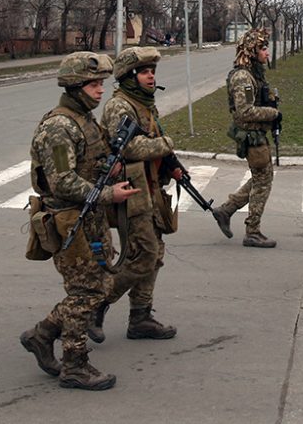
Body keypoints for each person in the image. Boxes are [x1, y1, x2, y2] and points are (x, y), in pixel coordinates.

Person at [20, 52, 139, 390]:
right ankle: (75, 365)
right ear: (74, 87)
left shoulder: (85, 119)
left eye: (101, 83)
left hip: (90, 217)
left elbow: (89, 164)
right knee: (84, 292)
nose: (100, 90)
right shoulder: (59, 127)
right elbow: (62, 181)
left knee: (98, 287)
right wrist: (107, 194)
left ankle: (42, 335)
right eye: (92, 84)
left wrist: (109, 169)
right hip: (70, 220)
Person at [88, 47, 182, 345]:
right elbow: (128, 148)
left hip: (150, 188)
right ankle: (96, 305)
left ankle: (140, 317)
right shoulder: (120, 106)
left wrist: (172, 164)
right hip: (130, 192)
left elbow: (148, 140)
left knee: (155, 255)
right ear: (130, 76)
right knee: (144, 256)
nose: (151, 76)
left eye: (152, 71)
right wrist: (166, 144)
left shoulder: (144, 104)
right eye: (144, 71)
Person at [210, 29, 281, 247]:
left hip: (257, 135)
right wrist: (273, 114)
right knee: (263, 182)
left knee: (262, 178)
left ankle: (226, 210)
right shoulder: (243, 77)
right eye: (263, 48)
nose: (267, 53)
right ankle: (252, 231)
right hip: (252, 137)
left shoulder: (253, 74)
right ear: (251, 51)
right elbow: (245, 111)